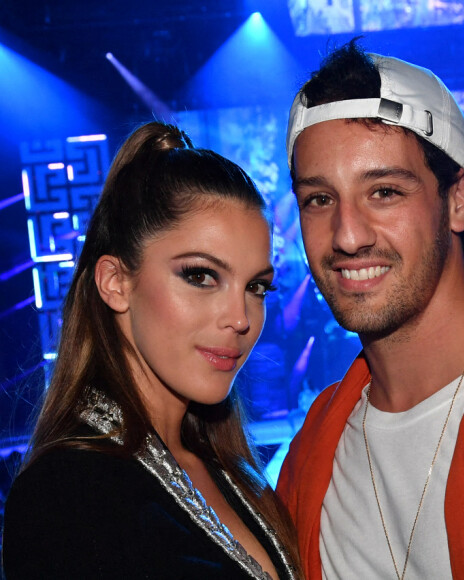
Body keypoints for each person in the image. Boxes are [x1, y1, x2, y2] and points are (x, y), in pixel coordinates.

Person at [276, 40, 464, 580]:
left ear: (459, 200)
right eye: (319, 199)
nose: (347, 235)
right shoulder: (309, 461)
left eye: (385, 191)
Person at [2, 121, 303, 580]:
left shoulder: (227, 465)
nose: (241, 318)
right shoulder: (66, 494)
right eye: (201, 275)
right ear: (116, 283)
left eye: (257, 287)